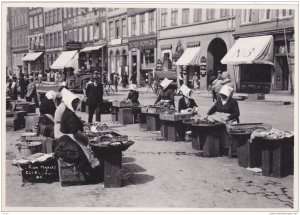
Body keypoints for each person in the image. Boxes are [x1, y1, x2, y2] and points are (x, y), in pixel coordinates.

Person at [57, 88, 100, 179]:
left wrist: (84, 125)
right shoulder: (70, 115)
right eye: (75, 103)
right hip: (70, 139)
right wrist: (88, 138)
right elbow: (76, 132)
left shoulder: (69, 112)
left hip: (68, 137)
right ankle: (90, 173)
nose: (77, 105)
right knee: (86, 154)